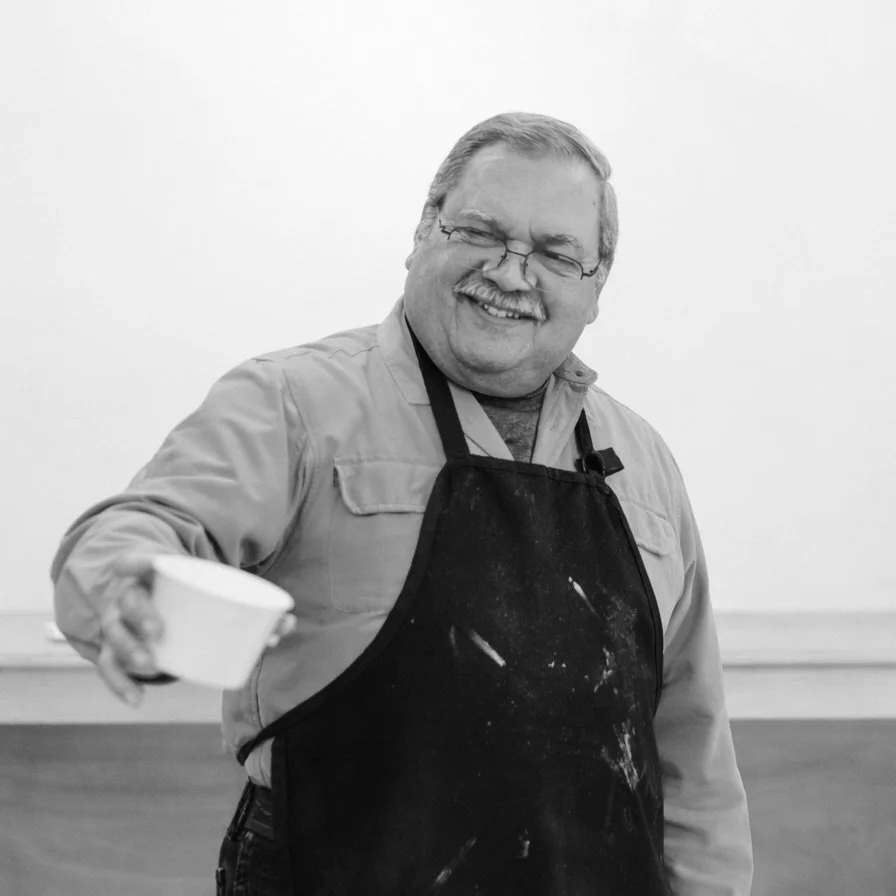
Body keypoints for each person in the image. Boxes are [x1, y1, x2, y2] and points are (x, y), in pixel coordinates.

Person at [50, 111, 753, 895]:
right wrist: (122, 589)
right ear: (423, 230)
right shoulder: (294, 403)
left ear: (596, 286)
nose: (510, 273)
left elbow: (691, 747)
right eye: (481, 232)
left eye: (555, 254)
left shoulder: (643, 464)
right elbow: (144, 528)